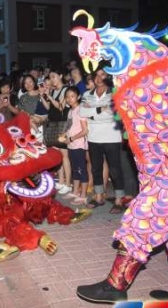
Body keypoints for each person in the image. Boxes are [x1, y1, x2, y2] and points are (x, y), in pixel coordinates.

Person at [80, 70, 126, 213]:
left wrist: (93, 112)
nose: (99, 78)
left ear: (108, 76)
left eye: (103, 75)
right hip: (93, 136)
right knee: (96, 168)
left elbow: (112, 115)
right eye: (97, 75)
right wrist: (102, 109)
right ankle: (99, 196)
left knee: (115, 169)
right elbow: (83, 113)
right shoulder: (87, 94)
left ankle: (119, 199)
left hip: (112, 136)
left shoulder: (114, 93)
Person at [42, 70, 71, 194]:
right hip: (53, 124)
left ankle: (68, 183)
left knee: (64, 154)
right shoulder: (53, 91)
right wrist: (43, 96)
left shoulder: (66, 90)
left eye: (54, 76)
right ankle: (61, 180)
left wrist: (48, 96)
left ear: (60, 75)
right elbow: (49, 108)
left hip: (62, 125)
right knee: (57, 154)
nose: (52, 79)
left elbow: (61, 107)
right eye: (50, 77)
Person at [59, 87, 88, 205]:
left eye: (72, 96)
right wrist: (64, 135)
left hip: (79, 144)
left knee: (82, 169)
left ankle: (84, 195)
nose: (69, 99)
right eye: (67, 97)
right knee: (75, 169)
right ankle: (75, 191)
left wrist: (71, 138)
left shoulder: (81, 110)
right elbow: (70, 127)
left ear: (78, 97)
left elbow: (85, 130)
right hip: (71, 145)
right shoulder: (71, 111)